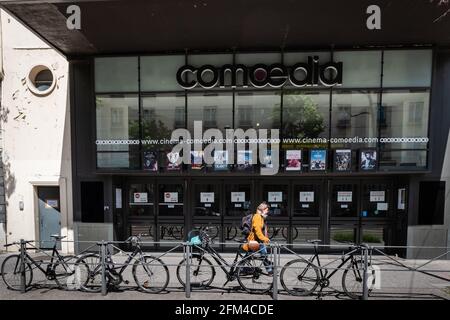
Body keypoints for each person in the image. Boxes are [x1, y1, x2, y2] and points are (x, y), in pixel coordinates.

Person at [242, 201, 273, 274]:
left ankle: (240, 268)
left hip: (257, 241)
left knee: (249, 256)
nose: (268, 211)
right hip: (255, 241)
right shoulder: (257, 217)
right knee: (262, 255)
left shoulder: (260, 217)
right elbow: (258, 232)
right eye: (267, 210)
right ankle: (270, 270)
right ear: (262, 210)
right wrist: (265, 239)